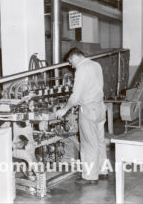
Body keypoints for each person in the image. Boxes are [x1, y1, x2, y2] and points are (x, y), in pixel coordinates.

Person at [56, 47, 108, 186]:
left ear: (74, 57)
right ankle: (102, 170)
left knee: (88, 143)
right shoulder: (96, 65)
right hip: (100, 107)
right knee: (99, 141)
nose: (71, 66)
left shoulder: (81, 70)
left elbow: (76, 96)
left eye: (70, 62)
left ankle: (90, 176)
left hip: (88, 109)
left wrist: (64, 109)